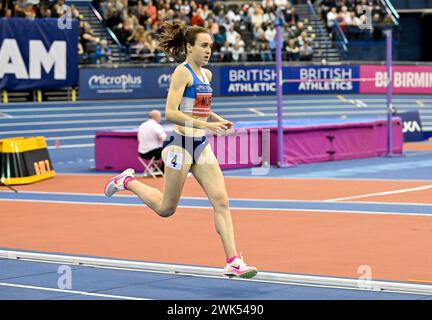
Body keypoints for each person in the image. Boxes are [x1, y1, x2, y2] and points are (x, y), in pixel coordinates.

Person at [104, 21, 258, 279]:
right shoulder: (182, 72)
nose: (209, 50)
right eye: (204, 45)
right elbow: (171, 113)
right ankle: (127, 181)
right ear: (189, 47)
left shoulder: (206, 76)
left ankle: (232, 260)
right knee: (166, 209)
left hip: (201, 146)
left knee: (221, 201)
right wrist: (205, 125)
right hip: (180, 148)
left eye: (211, 46)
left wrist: (216, 120)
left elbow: (201, 110)